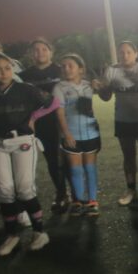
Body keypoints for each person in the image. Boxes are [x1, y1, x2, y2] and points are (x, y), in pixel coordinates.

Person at [0, 53, 56, 255]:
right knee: (4, 189)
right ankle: (11, 235)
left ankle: (39, 232)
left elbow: (53, 103)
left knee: (25, 187)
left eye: (7, 67)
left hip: (23, 141)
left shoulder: (25, 88)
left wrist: (33, 117)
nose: (4, 72)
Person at [94, 41, 138, 207]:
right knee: (128, 157)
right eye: (122, 52)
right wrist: (99, 87)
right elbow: (106, 97)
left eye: (128, 52)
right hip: (123, 119)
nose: (125, 55)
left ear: (135, 53)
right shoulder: (112, 70)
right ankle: (131, 190)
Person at [20, 37, 68, 211]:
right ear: (31, 54)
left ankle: (79, 195)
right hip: (40, 123)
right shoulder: (24, 76)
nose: (40, 52)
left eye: (44, 49)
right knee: (52, 160)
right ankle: (61, 193)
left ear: (51, 52)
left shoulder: (61, 70)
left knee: (70, 157)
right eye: (36, 50)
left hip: (63, 120)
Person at [53, 54, 101, 216]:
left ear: (81, 69)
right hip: (71, 135)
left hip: (91, 133)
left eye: (70, 65)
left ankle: (92, 201)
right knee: (76, 170)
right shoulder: (59, 88)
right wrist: (66, 134)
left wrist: (98, 86)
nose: (66, 69)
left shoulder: (88, 86)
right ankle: (79, 201)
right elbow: (59, 113)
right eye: (63, 66)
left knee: (90, 169)